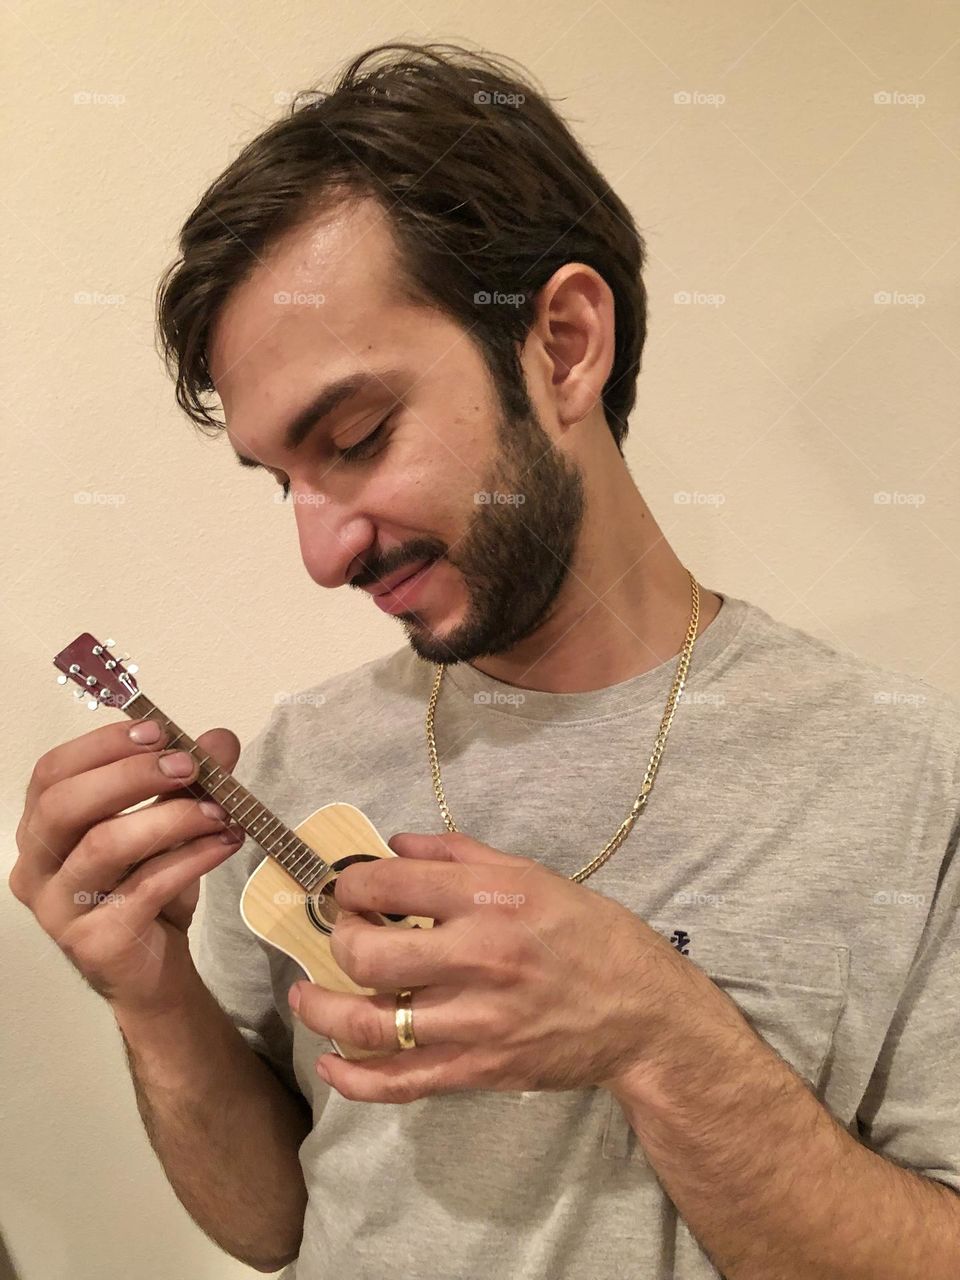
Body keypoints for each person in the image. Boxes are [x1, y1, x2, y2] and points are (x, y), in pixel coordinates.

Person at [12, 41, 960, 1280]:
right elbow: (273, 1222)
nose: (321, 551)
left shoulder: (907, 775)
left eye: (358, 435)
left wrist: (659, 1033)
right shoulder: (298, 757)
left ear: (563, 344)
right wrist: (149, 994)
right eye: (283, 480)